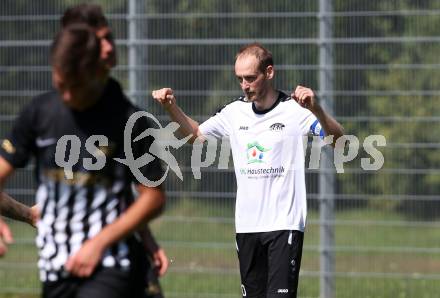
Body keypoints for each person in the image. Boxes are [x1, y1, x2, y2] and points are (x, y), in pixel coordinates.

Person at [0, 4, 168, 297]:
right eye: (99, 39)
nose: (107, 48)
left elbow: (150, 196)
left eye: (108, 38)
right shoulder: (42, 112)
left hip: (112, 264)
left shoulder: (130, 119)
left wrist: (101, 243)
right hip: (57, 267)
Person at [152, 43, 344, 298]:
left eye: (251, 78)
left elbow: (338, 141)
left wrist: (316, 109)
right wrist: (170, 108)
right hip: (246, 227)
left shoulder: (296, 111)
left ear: (270, 73)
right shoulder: (234, 112)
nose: (244, 85)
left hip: (283, 226)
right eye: (240, 79)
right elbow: (196, 136)